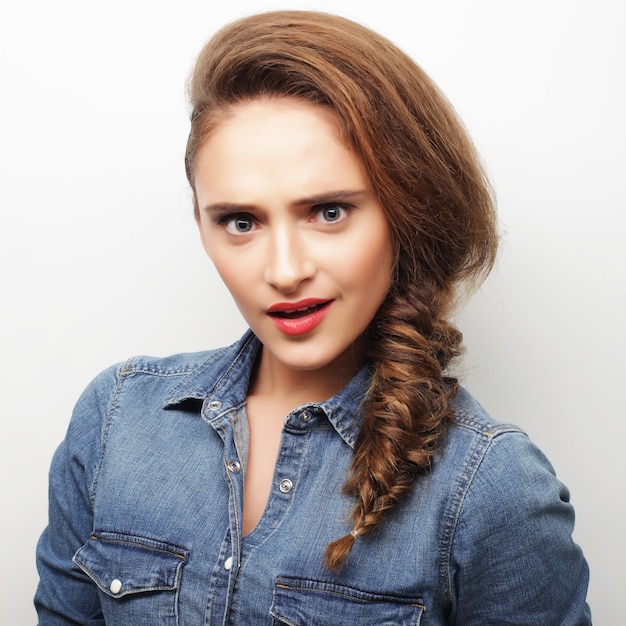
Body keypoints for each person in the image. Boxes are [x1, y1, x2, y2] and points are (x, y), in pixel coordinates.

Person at [35, 10, 591, 625]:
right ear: (202, 225)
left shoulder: (491, 486)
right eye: (239, 221)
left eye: (328, 212)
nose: (284, 269)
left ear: (406, 214)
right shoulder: (116, 420)